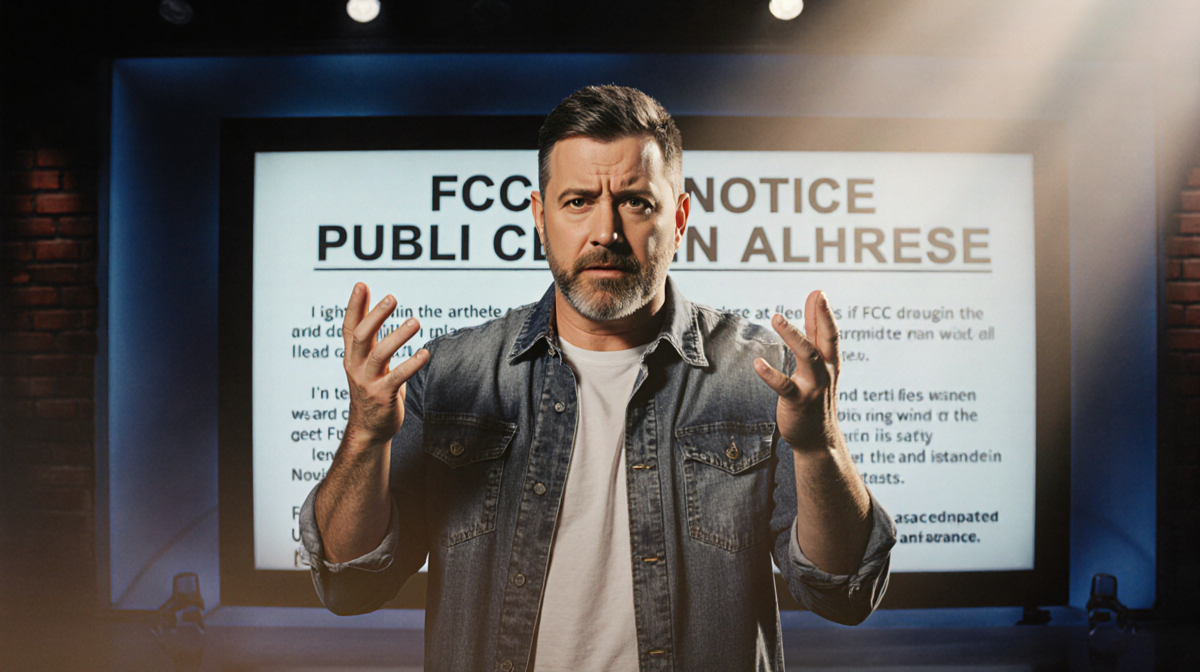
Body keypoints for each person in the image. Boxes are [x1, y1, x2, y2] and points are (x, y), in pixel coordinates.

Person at [299, 85, 896, 672]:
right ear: (540, 218)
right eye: (578, 201)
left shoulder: (763, 375)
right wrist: (365, 436)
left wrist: (819, 447)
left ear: (679, 219)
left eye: (635, 202)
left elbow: (843, 592)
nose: (606, 231)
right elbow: (350, 585)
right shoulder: (449, 376)